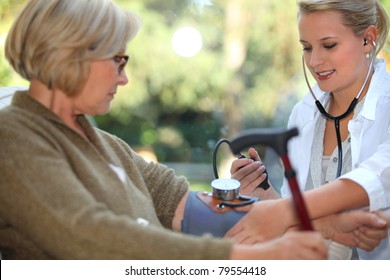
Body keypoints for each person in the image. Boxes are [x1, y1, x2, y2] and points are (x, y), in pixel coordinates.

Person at [0, 0, 386, 260]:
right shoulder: (14, 138)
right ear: (72, 55)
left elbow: (182, 204)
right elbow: (88, 234)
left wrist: (324, 223)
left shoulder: (98, 141)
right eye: (118, 60)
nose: (125, 77)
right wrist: (246, 255)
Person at [229, 0, 390, 260]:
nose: (314, 61)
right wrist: (263, 195)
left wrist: (279, 212)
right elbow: (299, 222)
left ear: (367, 39)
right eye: (306, 47)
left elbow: (377, 179)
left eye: (329, 45)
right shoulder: (302, 115)